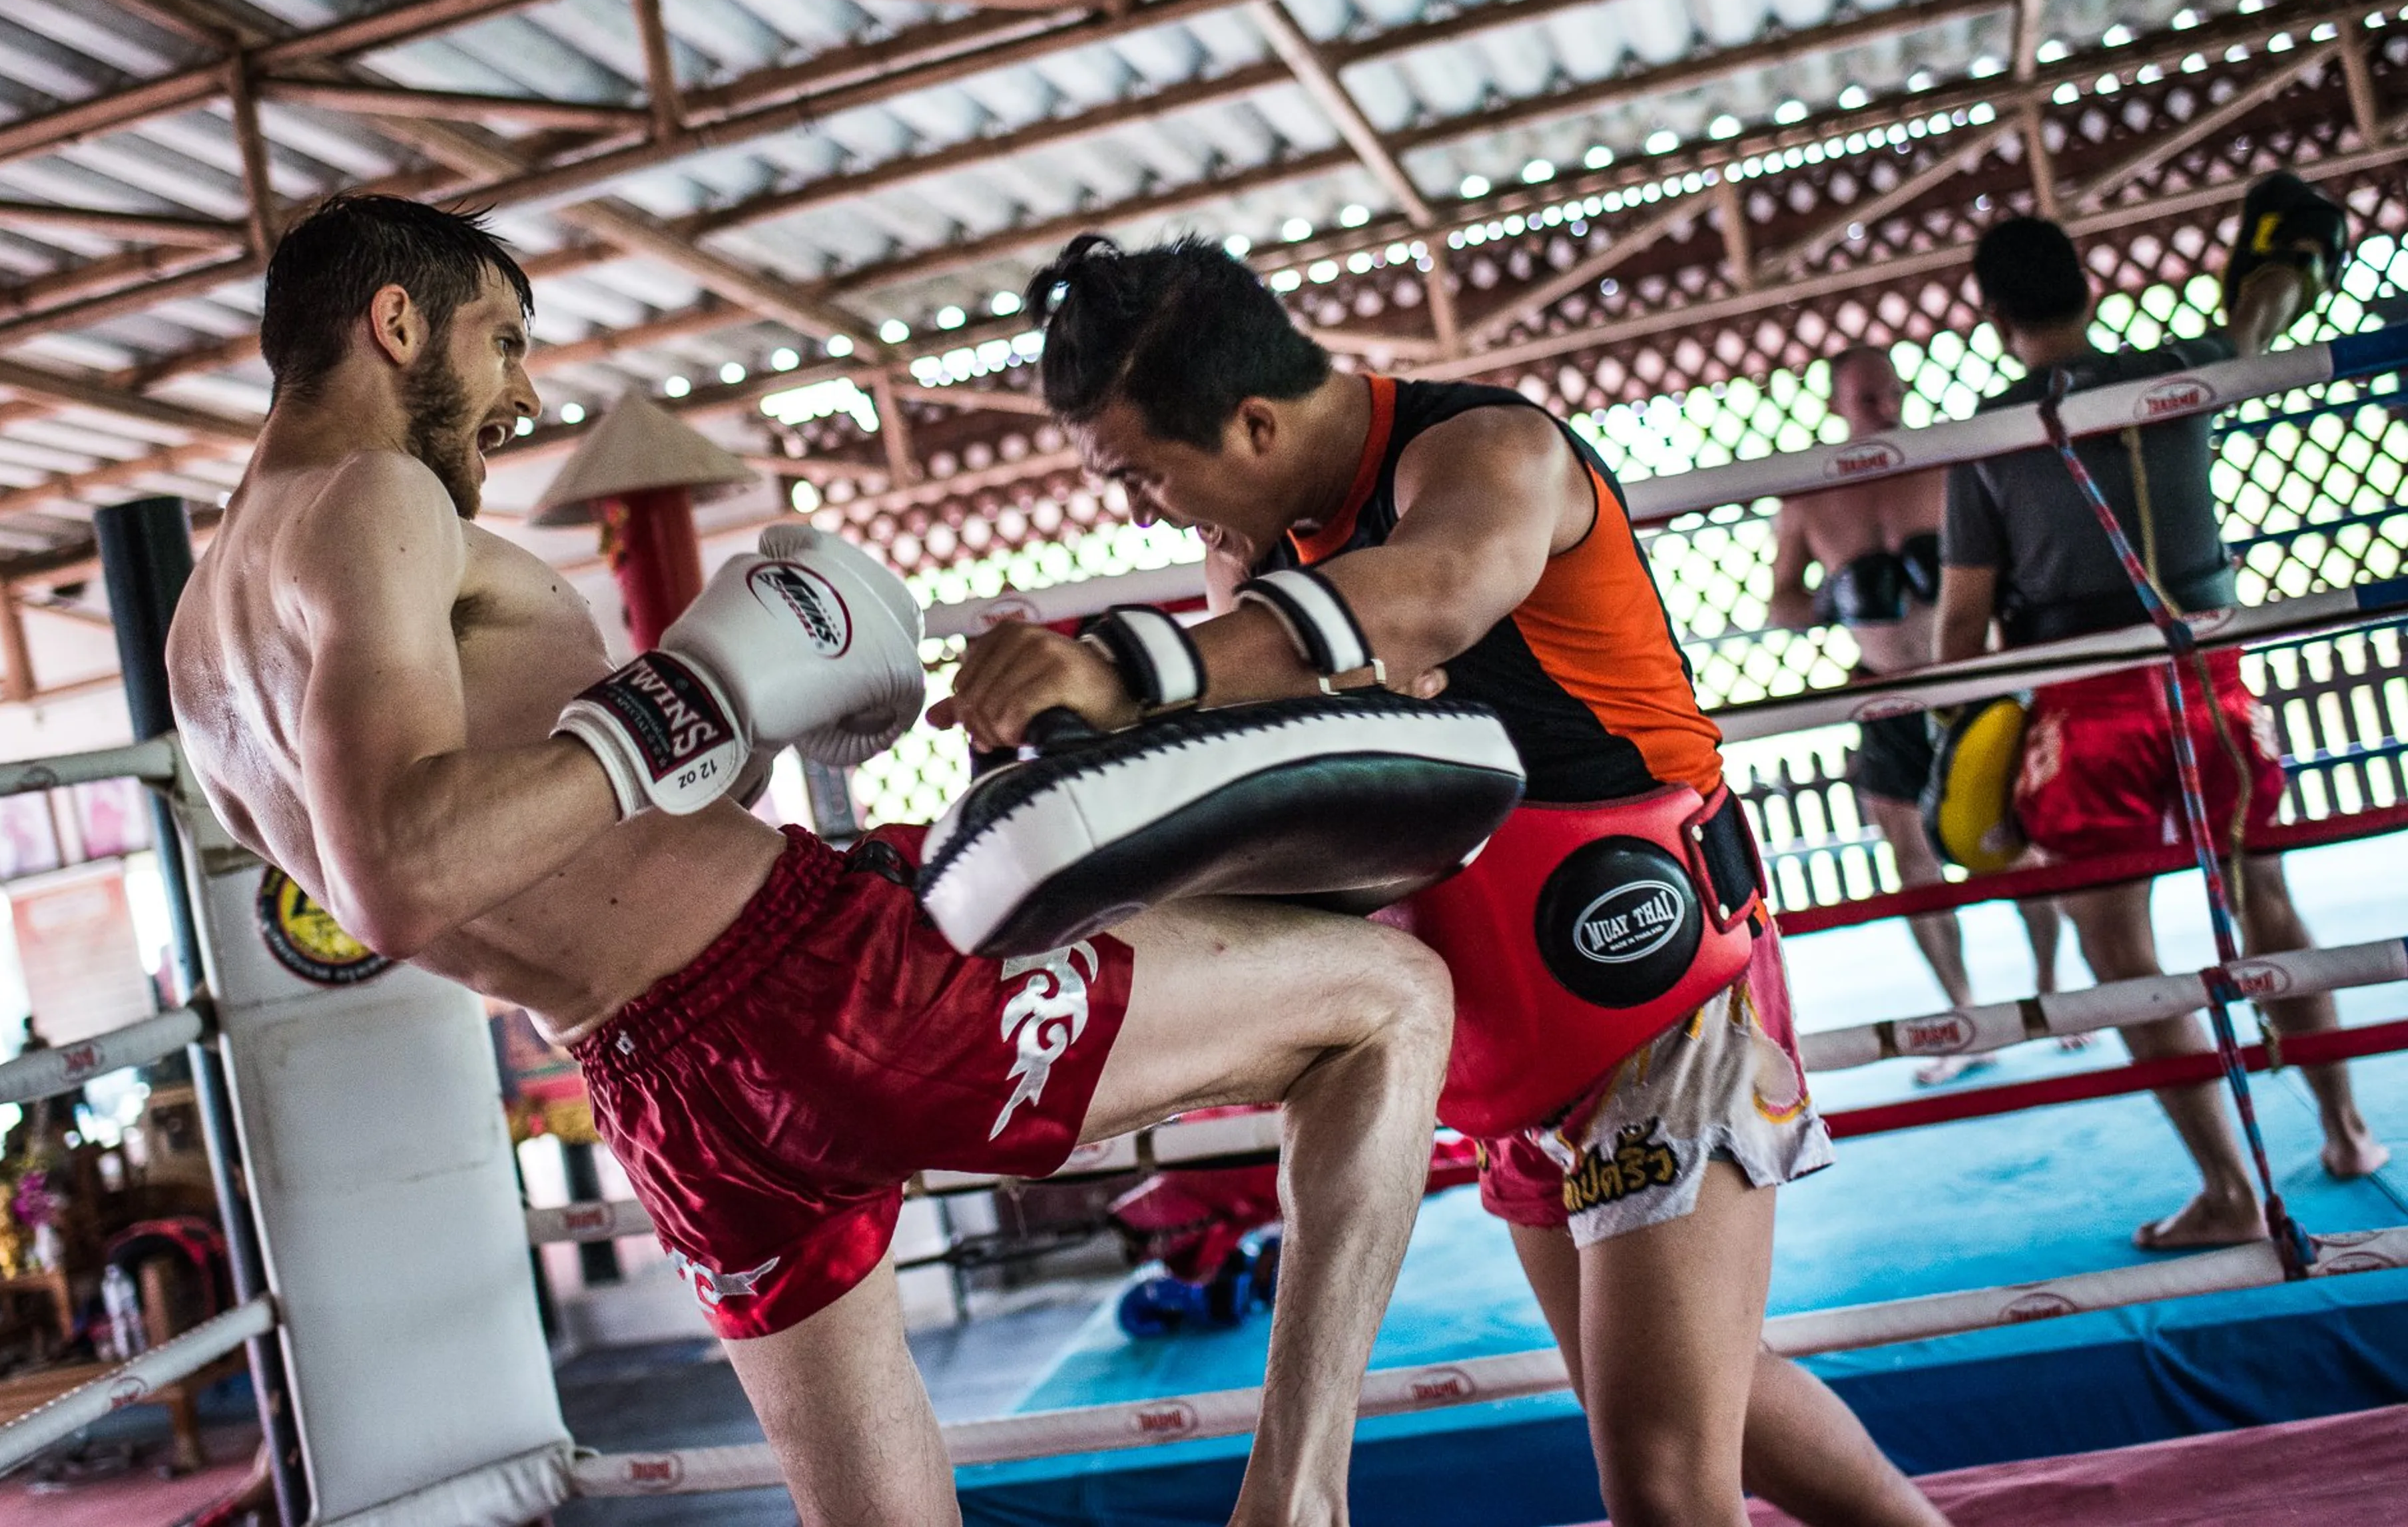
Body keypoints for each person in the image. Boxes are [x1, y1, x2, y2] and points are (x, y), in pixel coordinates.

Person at [167, 195, 1463, 1527]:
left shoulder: (199, 649)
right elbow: (400, 876)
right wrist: (678, 701)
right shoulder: (373, 496)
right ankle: (1297, 1503)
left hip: (662, 1089)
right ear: (396, 324)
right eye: (503, 339)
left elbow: (512, 847)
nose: (522, 390)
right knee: (1394, 999)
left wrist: (746, 717)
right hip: (815, 988)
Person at [939, 234, 1945, 1527]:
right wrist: (1046, 740)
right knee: (1706, 1404)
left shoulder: (1489, 453)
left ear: (1252, 422)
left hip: (1659, 998)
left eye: (1144, 475)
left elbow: (1430, 594)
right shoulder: (1256, 565)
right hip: (1505, 1053)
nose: (1142, 511)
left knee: (1663, 1484)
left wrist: (1126, 670)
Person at [1935, 208, 2389, 1250]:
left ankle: (2230, 1189)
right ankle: (2348, 1129)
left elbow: (1960, 629)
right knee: (2267, 900)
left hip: (2089, 703)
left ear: (1995, 315)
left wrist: (1968, 738)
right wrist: (2282, 266)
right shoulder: (2181, 370)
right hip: (2211, 682)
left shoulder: (1989, 438)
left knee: (2120, 948)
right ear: (2088, 288)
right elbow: (2260, 320)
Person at [1770, 346, 2070, 1083]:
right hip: (1881, 690)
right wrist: (1836, 599)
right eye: (1867, 396)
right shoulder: (1808, 498)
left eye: (1891, 392)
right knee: (1913, 862)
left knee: (2014, 841)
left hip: (1968, 679)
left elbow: (2013, 568)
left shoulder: (1945, 466)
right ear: (1837, 401)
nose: (1882, 405)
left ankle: (2053, 995)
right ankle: (1965, 1017)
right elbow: (1781, 606)